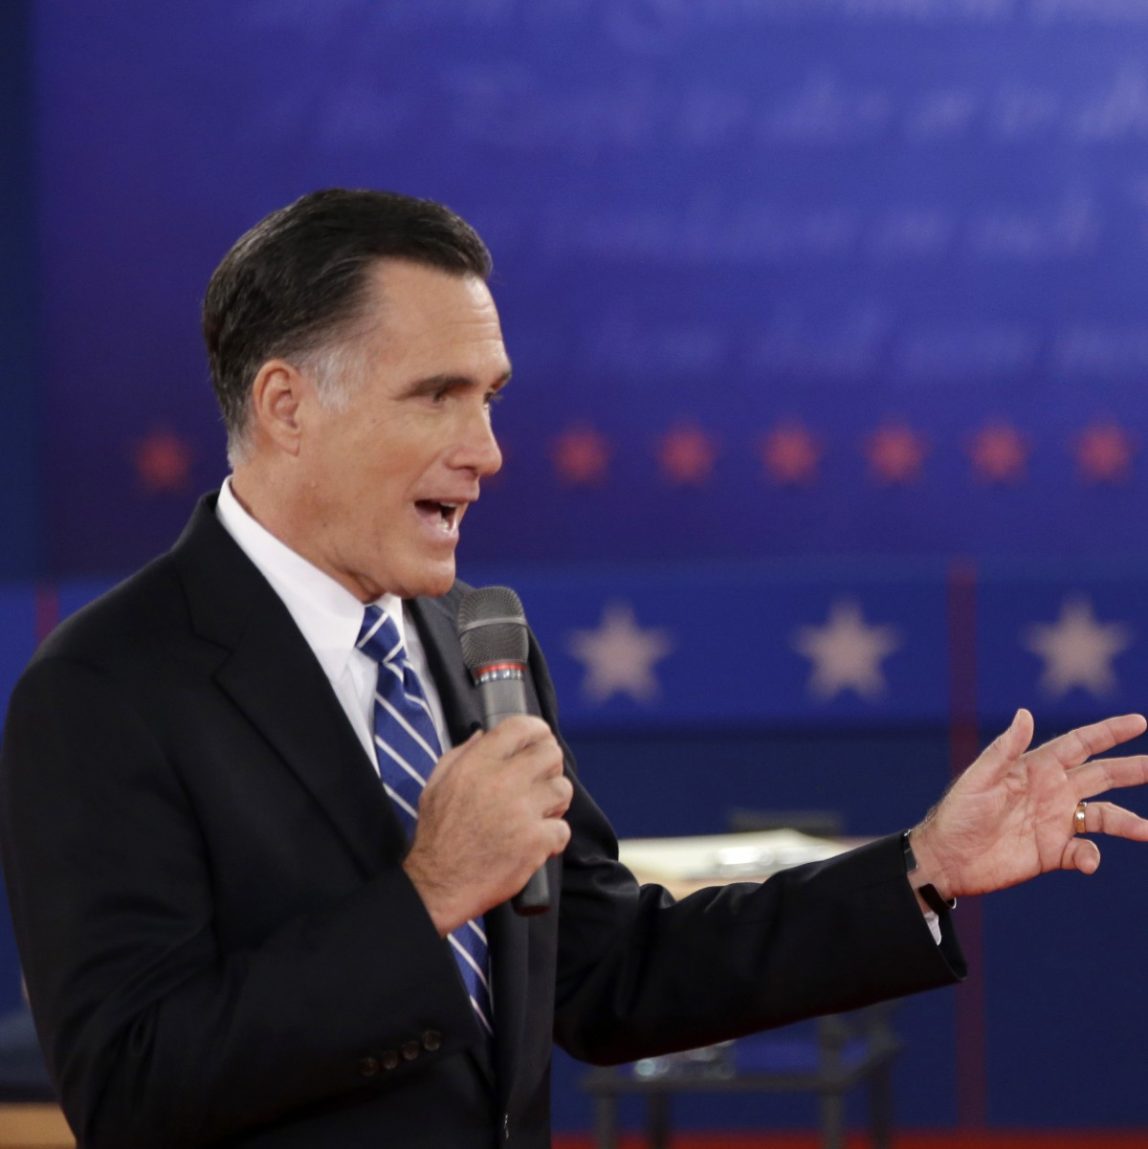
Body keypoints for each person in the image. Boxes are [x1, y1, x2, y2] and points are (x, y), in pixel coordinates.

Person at [2, 189, 1147, 1149]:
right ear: (288, 406)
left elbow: (612, 974)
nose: (487, 452)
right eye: (436, 396)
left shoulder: (472, 643)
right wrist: (429, 896)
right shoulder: (105, 690)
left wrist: (920, 869)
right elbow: (130, 1086)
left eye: (489, 397)